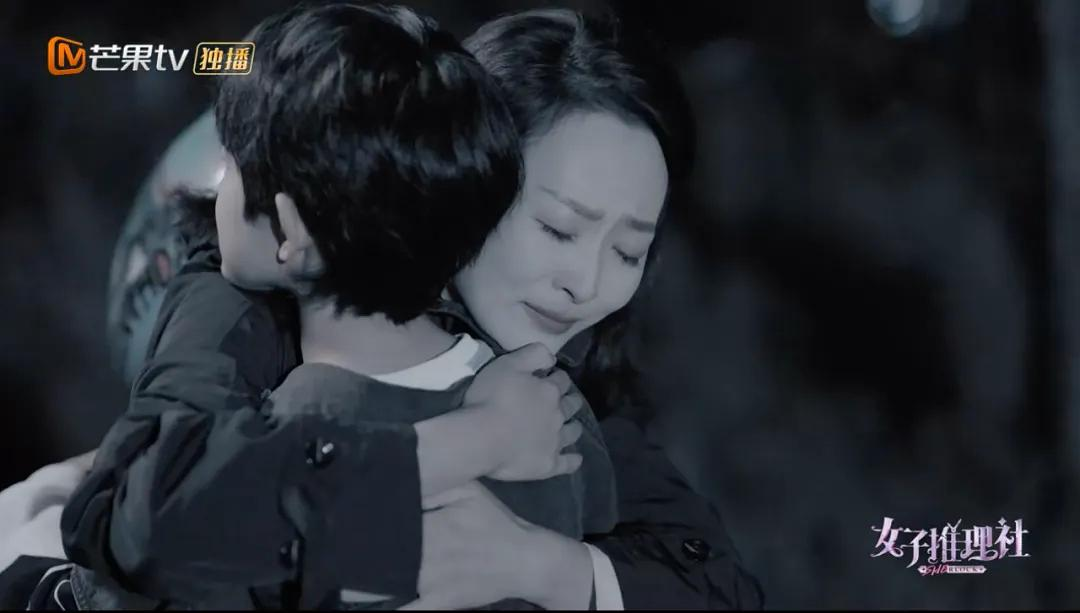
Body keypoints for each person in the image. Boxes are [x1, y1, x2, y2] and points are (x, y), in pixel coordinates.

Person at [2, 7, 764, 610]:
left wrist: (546, 566)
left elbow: (720, 582)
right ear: (465, 172)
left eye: (628, 252)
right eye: (558, 227)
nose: (587, 283)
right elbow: (149, 515)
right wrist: (465, 445)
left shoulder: (557, 384)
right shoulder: (255, 294)